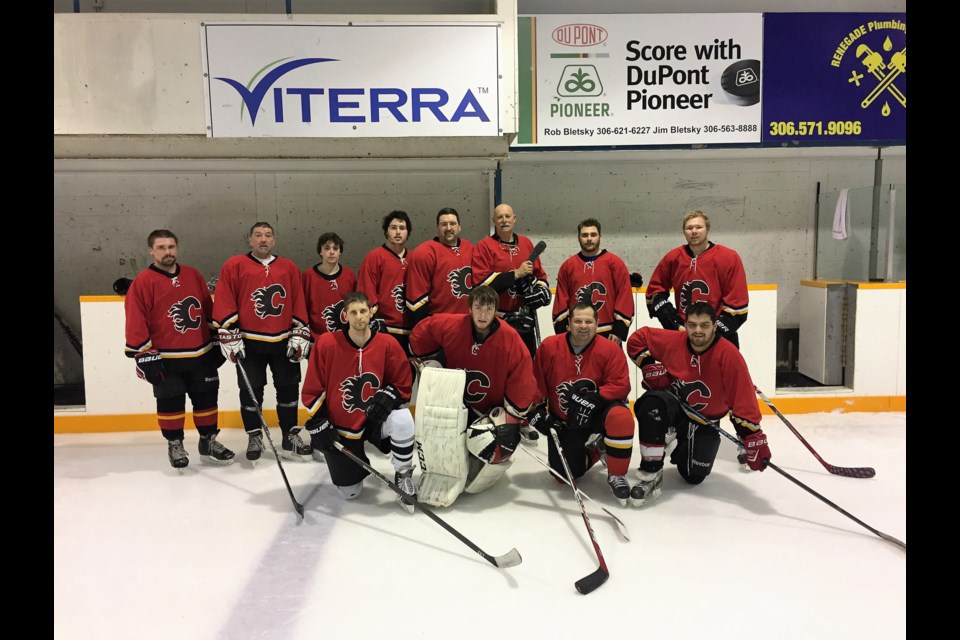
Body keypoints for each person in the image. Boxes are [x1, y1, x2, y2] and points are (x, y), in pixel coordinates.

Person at [625, 300, 772, 506]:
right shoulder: (674, 340)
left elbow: (742, 398)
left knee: (693, 476)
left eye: (704, 325)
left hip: (704, 421)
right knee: (651, 405)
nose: (698, 331)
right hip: (675, 407)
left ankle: (675, 441)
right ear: (685, 324)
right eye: (692, 324)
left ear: (714, 325)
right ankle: (651, 470)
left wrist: (752, 435)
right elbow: (637, 339)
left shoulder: (729, 355)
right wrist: (648, 365)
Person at [408, 286, 540, 502]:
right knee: (435, 426)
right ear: (469, 308)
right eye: (478, 308)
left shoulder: (509, 338)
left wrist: (513, 417)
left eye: (488, 309)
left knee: (494, 444)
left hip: (488, 411)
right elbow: (423, 331)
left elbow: (523, 377)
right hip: (456, 403)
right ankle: (443, 470)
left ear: (496, 310)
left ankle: (478, 471)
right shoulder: (452, 325)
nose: (483, 314)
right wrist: (428, 362)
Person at [123, 229, 235, 469]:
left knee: (207, 399)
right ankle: (175, 443)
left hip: (200, 355)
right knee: (170, 402)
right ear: (151, 251)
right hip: (166, 359)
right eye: (161, 248)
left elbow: (207, 308)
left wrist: (216, 339)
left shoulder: (193, 275)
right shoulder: (143, 282)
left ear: (177, 248)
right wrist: (144, 356)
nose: (167, 252)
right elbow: (135, 320)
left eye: (171, 247)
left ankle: (208, 440)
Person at [301, 291, 417, 512]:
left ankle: (403, 474)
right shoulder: (327, 344)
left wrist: (390, 396)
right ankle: (351, 473)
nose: (359, 317)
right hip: (342, 428)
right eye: (353, 312)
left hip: (375, 420)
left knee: (403, 419)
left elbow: (403, 381)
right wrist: (320, 421)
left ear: (371, 313)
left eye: (363, 311)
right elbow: (312, 389)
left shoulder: (387, 344)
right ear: (345, 316)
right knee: (350, 493)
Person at [213, 221, 314, 464]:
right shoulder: (235, 265)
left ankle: (290, 436)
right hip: (249, 343)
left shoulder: (288, 267)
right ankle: (254, 435)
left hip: (282, 341)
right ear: (250, 239)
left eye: (268, 235)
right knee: (251, 392)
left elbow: (298, 299)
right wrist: (228, 330)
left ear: (274, 240)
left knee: (289, 390)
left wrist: (299, 330)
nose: (263, 239)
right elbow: (225, 297)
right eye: (258, 235)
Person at [527, 302, 637, 506]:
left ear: (597, 324)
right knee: (563, 476)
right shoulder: (550, 347)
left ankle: (617, 475)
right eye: (578, 321)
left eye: (589, 321)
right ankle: (598, 449)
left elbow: (622, 385)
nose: (583, 326)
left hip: (598, 416)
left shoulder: (610, 349)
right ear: (568, 323)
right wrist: (537, 411)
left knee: (621, 417)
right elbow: (536, 384)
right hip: (566, 421)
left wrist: (596, 398)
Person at [645, 210, 748, 348]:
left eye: (699, 227)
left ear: (707, 229)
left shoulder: (728, 258)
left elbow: (738, 304)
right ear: (684, 232)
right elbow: (654, 291)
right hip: (684, 335)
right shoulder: (673, 258)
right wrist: (670, 319)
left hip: (721, 337)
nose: (694, 231)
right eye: (689, 228)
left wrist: (713, 331)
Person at [472, 203, 551, 359]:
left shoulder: (526, 243)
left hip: (525, 320)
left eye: (508, 216)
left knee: (525, 365)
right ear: (494, 221)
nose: (504, 220)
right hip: (495, 319)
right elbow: (481, 284)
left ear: (514, 219)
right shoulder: (485, 246)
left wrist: (542, 290)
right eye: (500, 217)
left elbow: (540, 276)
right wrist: (515, 274)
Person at [551, 218, 635, 345]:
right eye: (585, 235)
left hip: (608, 332)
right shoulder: (568, 266)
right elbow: (561, 301)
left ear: (600, 236)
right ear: (578, 237)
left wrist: (619, 330)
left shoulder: (615, 263)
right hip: (577, 332)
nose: (589, 238)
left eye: (593, 234)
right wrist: (562, 333)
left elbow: (625, 297)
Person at [405, 207, 474, 331]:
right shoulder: (424, 252)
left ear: (459, 226)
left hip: (469, 323)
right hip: (440, 325)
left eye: (453, 224)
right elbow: (416, 297)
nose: (448, 228)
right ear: (437, 228)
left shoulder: (470, 248)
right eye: (444, 224)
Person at [357, 211, 413, 354]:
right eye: (393, 227)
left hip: (412, 329)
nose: (398, 232)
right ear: (386, 231)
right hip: (385, 328)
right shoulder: (374, 257)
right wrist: (376, 320)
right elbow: (366, 290)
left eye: (402, 228)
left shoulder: (415, 257)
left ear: (408, 232)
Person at [302, 231, 357, 339]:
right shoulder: (308, 276)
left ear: (340, 252)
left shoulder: (349, 275)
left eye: (335, 248)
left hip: (345, 338)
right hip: (316, 339)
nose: (331, 252)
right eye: (327, 248)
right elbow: (302, 308)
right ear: (320, 251)